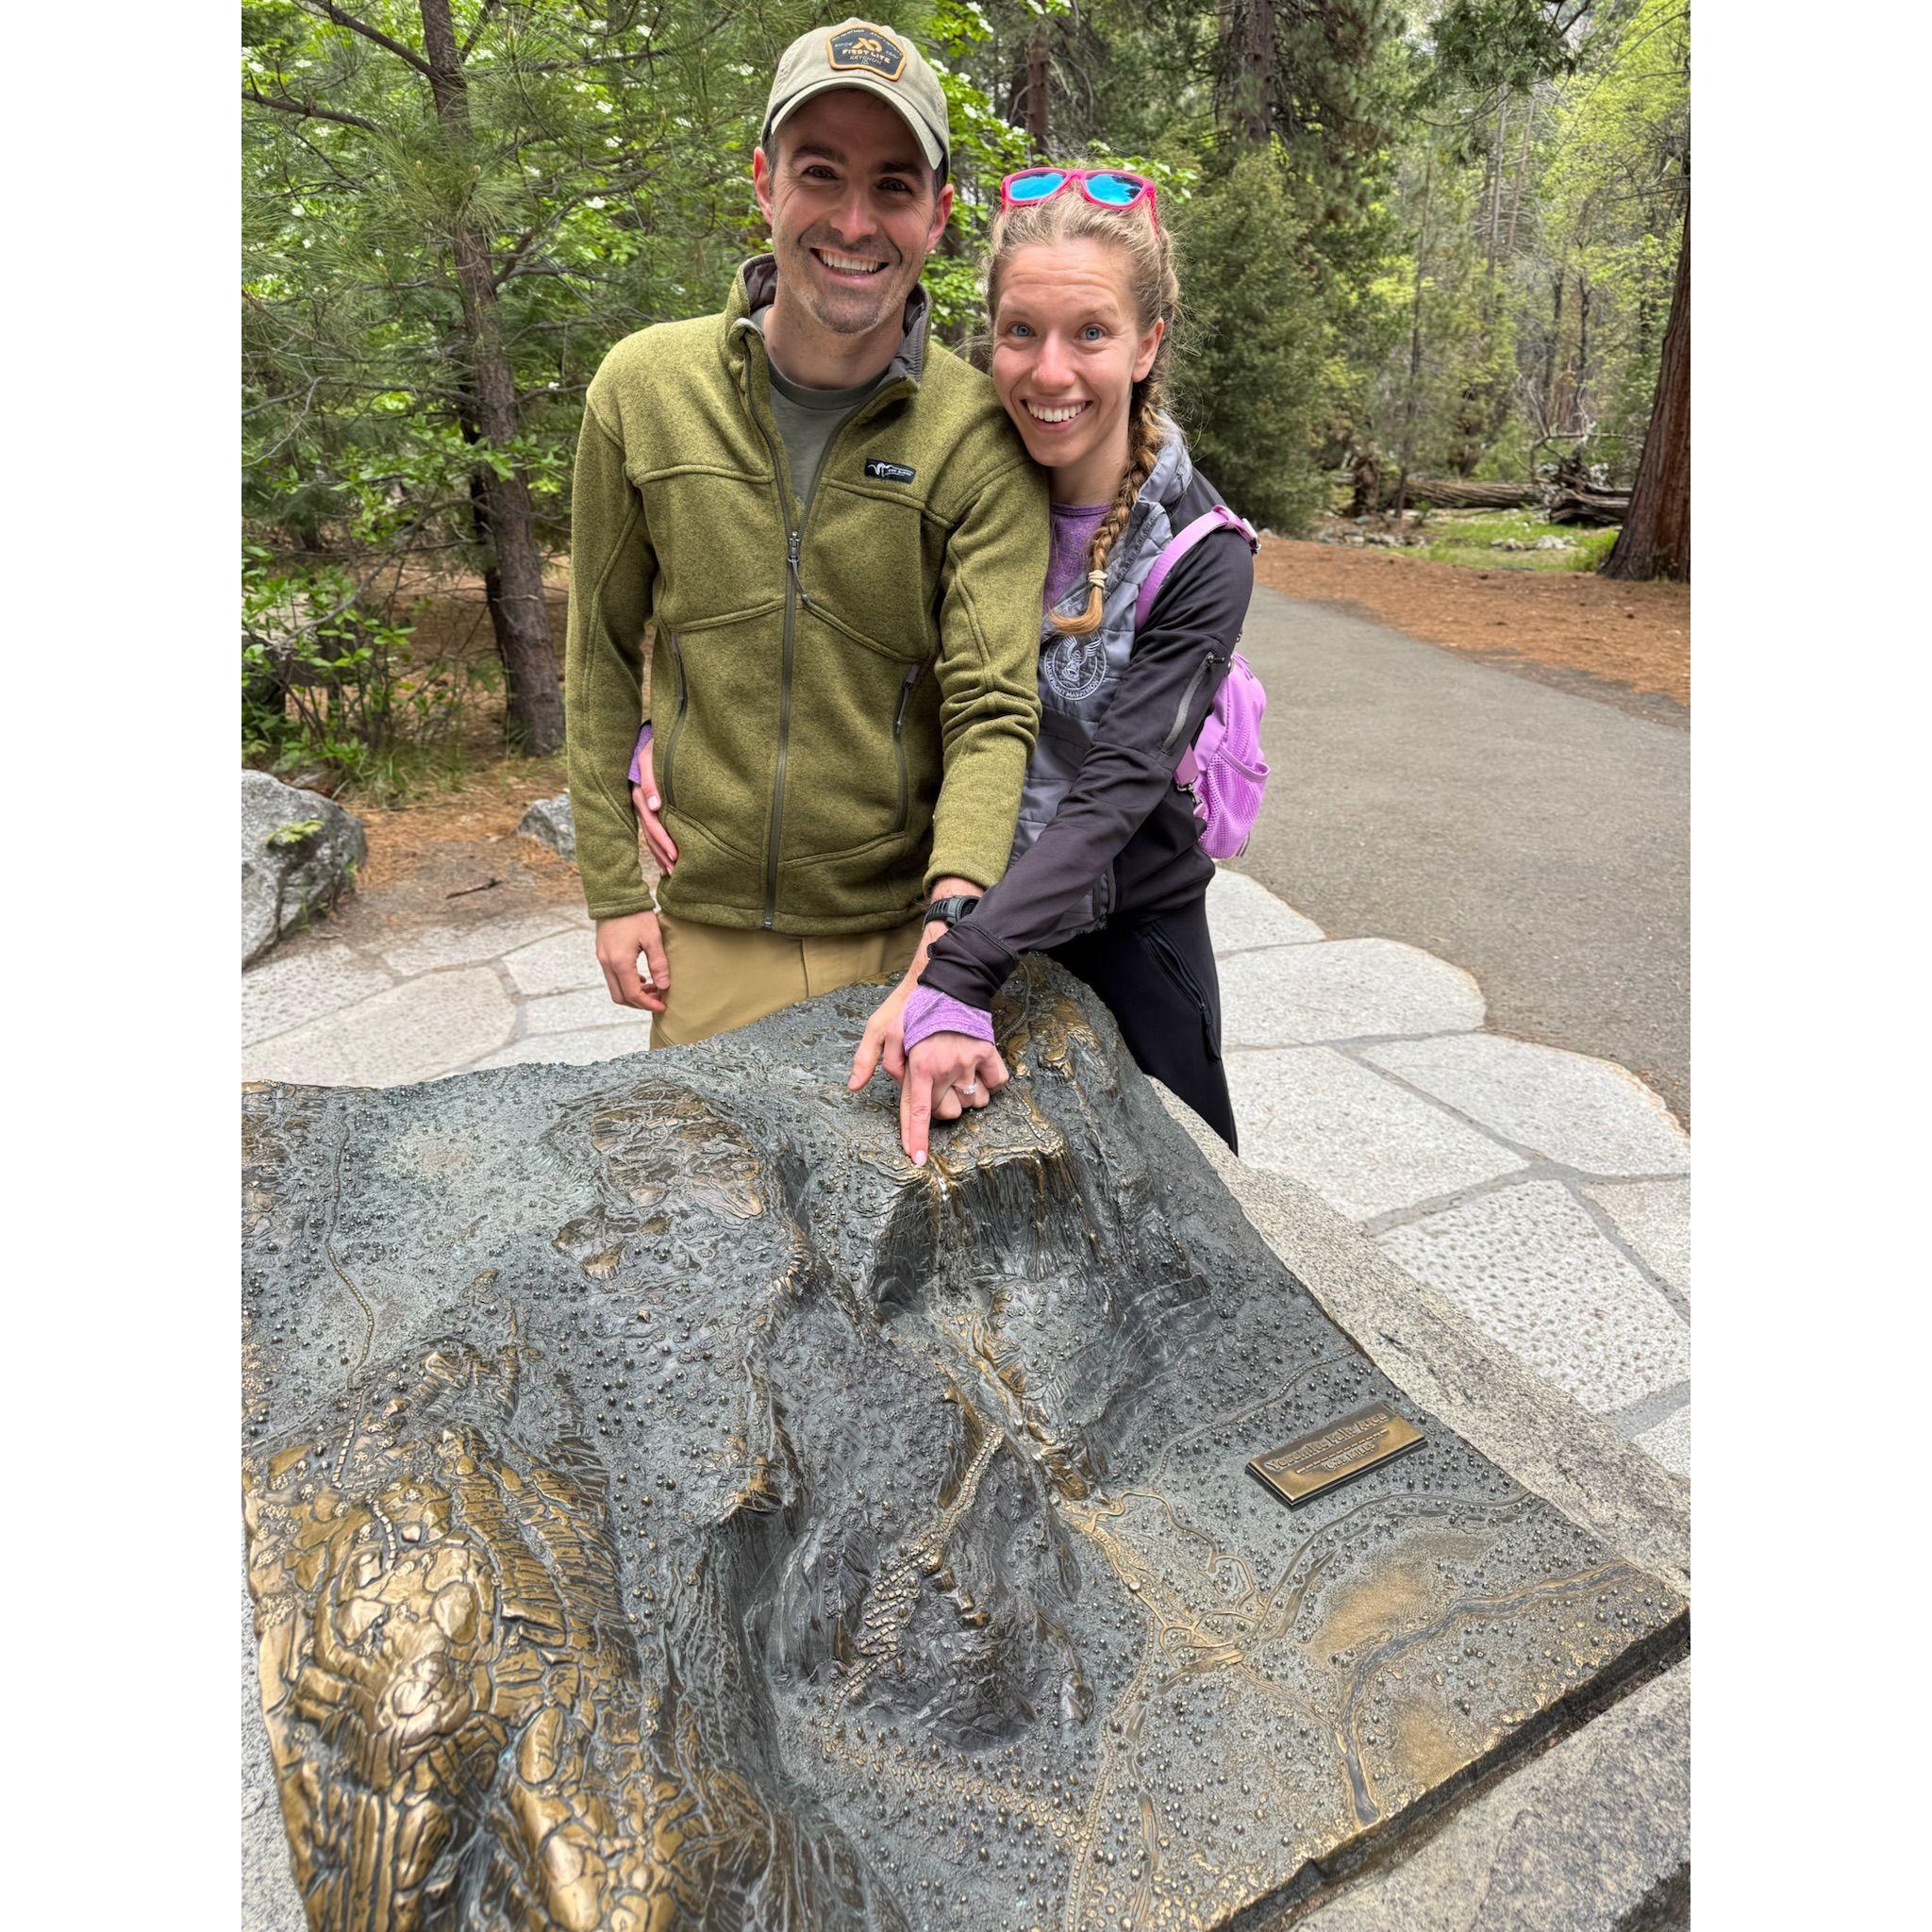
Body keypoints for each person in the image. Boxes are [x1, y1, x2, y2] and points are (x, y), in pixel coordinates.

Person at [565, 19, 1048, 1046]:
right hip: (706, 930)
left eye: (892, 185)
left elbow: (991, 706)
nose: (852, 220)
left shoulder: (977, 436)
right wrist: (611, 888)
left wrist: (951, 937)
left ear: (939, 215)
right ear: (762, 181)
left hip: (898, 933)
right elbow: (600, 652)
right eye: (818, 172)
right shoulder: (642, 390)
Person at [853, 166, 1255, 1164]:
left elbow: (1115, 790)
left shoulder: (1200, 551)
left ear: (1147, 341)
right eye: (1019, 331)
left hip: (1125, 931)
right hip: (951, 898)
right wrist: (657, 735)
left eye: (1089, 333)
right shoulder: (950, 480)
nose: (1047, 371)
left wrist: (960, 967)